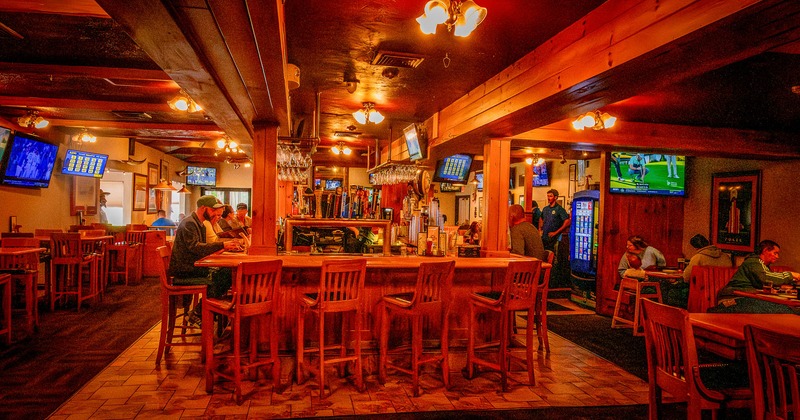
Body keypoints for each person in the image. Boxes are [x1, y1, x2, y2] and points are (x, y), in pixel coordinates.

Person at [169, 195, 240, 324]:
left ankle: (210, 312)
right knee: (224, 275)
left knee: (225, 272)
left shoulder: (198, 223)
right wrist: (222, 245)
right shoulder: (189, 223)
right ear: (203, 208)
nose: (215, 214)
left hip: (192, 267)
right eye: (212, 210)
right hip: (185, 271)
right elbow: (195, 247)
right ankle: (201, 312)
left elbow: (200, 248)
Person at [711, 240, 800, 314]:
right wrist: (791, 275)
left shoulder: (763, 266)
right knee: (783, 310)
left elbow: (766, 282)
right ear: (765, 251)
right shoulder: (753, 262)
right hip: (733, 298)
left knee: (784, 309)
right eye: (775, 253)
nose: (777, 257)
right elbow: (766, 278)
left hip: (748, 298)